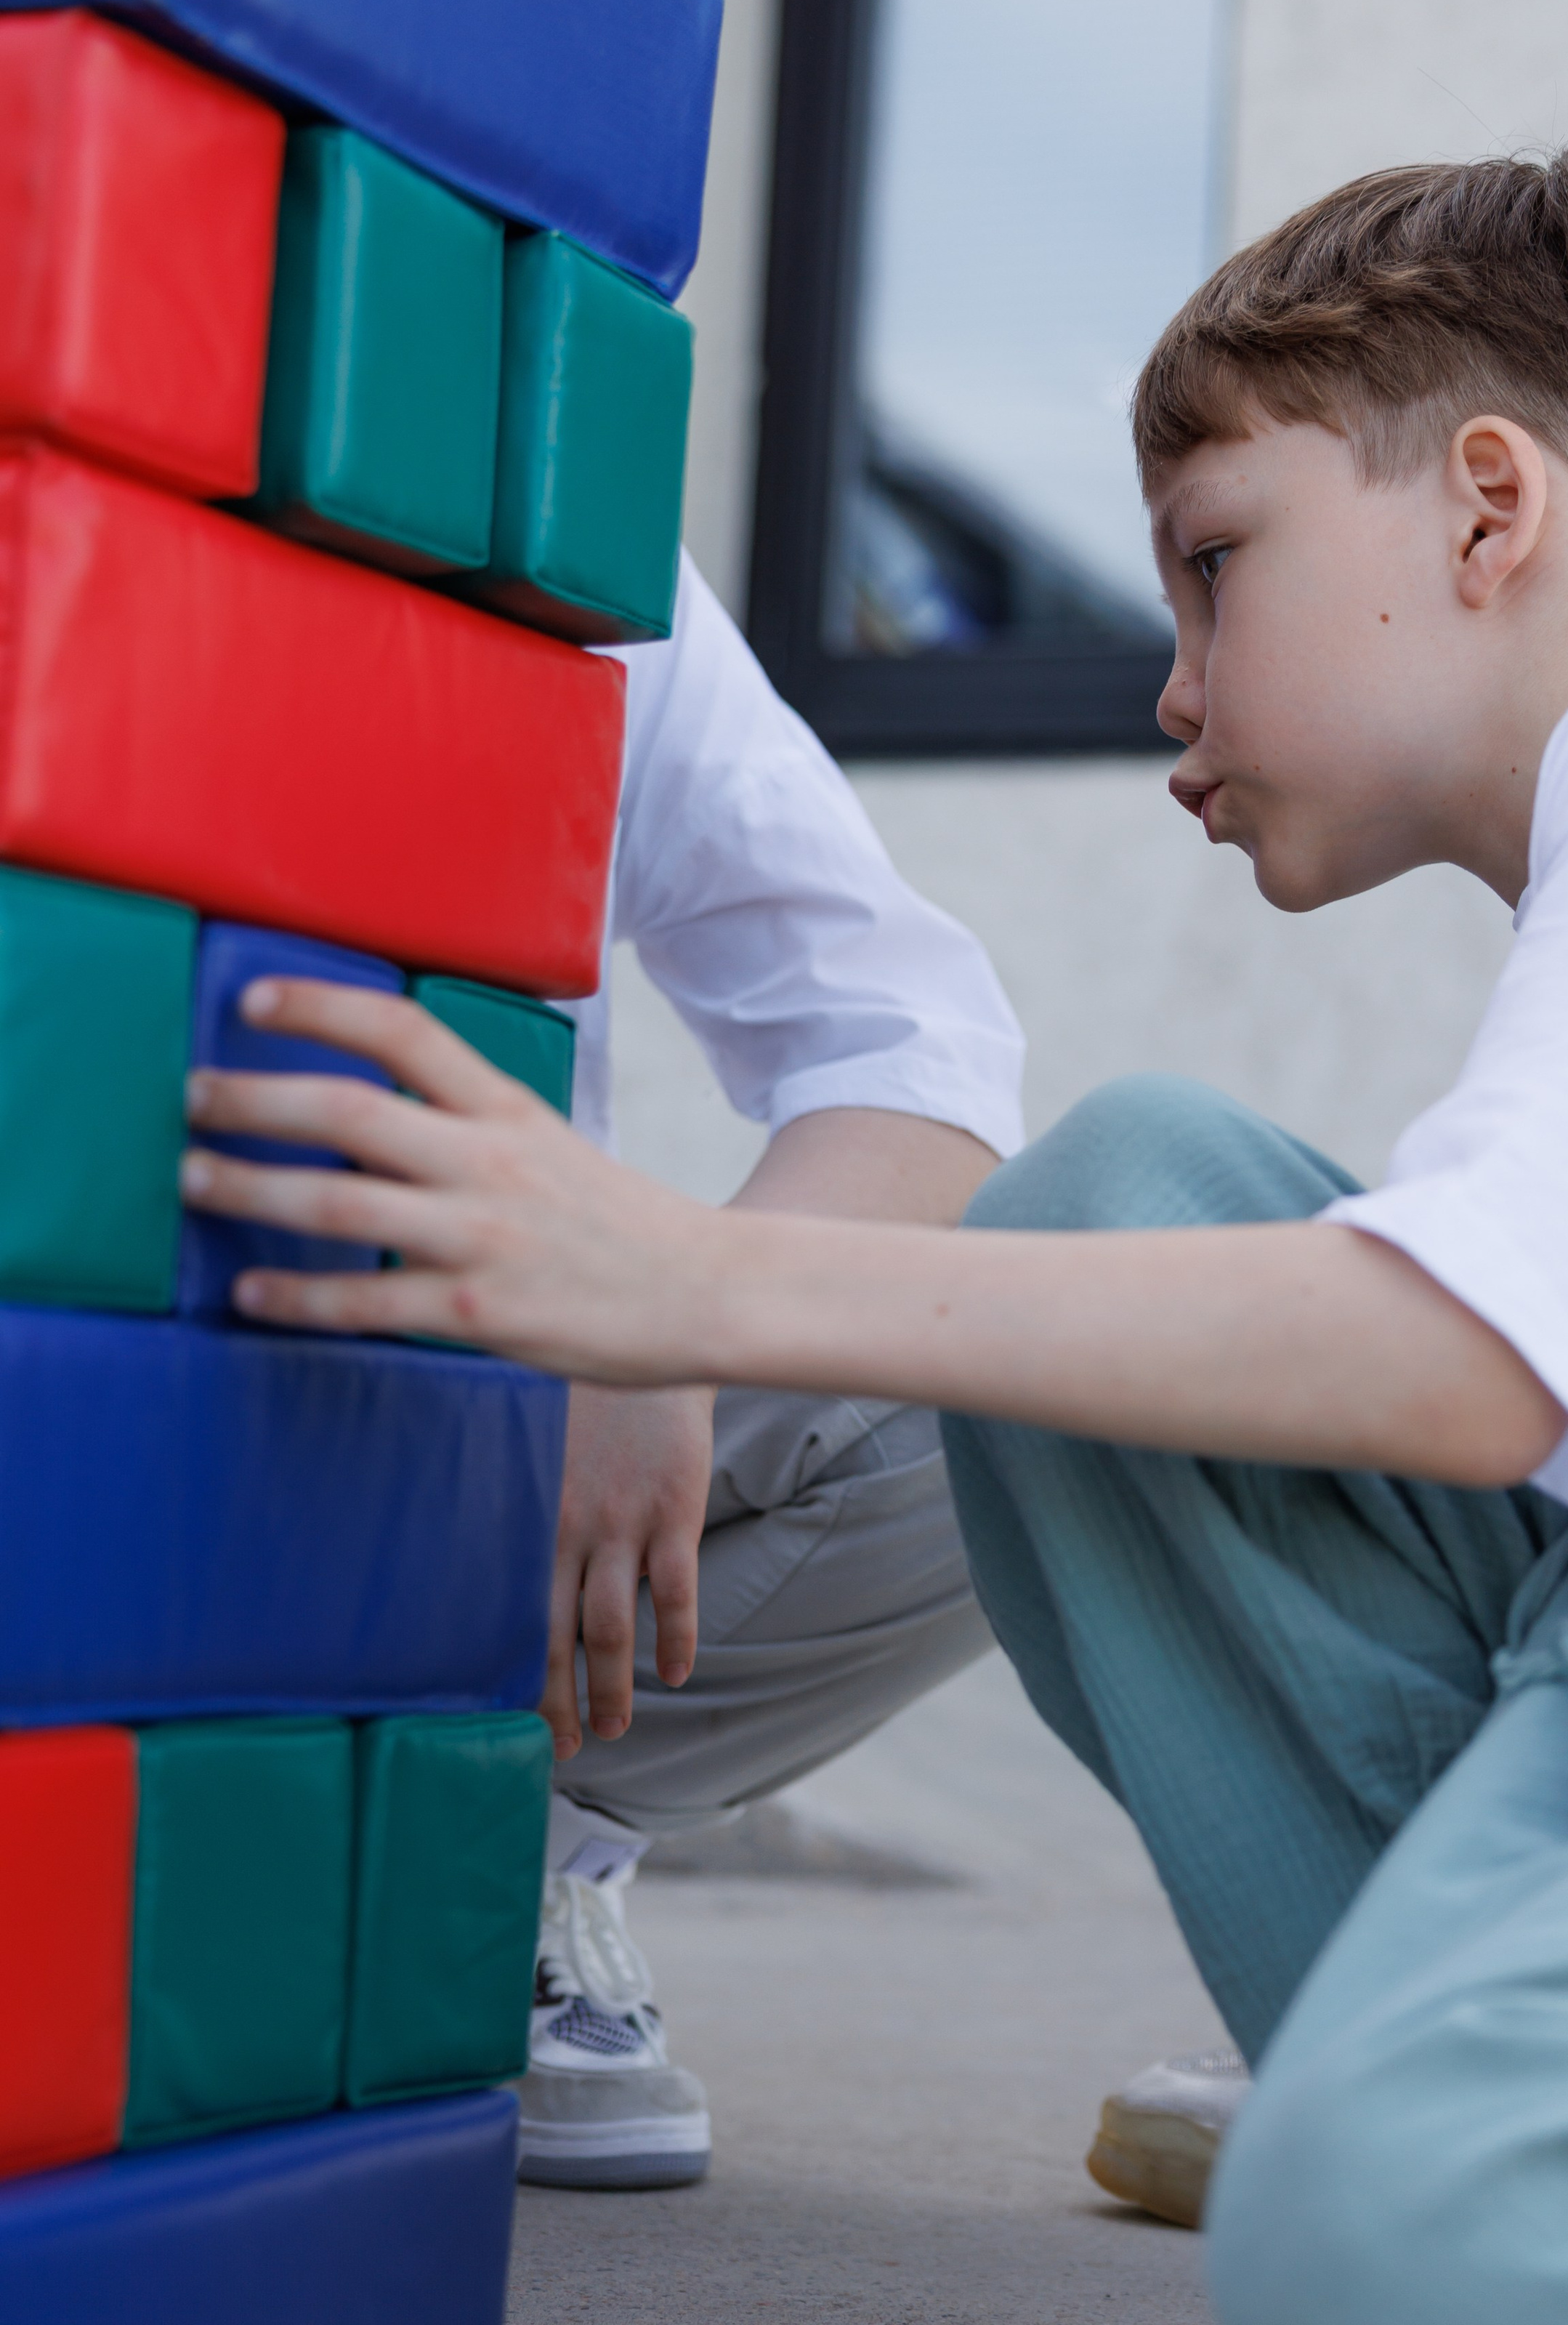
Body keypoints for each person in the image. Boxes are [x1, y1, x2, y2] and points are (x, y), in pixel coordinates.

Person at [180, 145, 1568, 2324]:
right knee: (1123, 1182)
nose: (1174, 686)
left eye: (1213, 568)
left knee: (1387, 2218)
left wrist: (676, 1282)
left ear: (1486, 508)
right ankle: (1454, 2064)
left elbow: (1473, 1359)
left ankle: (1488, 2146)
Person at [485, 557, 1020, 2188]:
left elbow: (912, 1049)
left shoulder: (591, 533)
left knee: (1017, 1359)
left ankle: (501, 1850)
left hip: (473, 1382)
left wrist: (665, 1304)